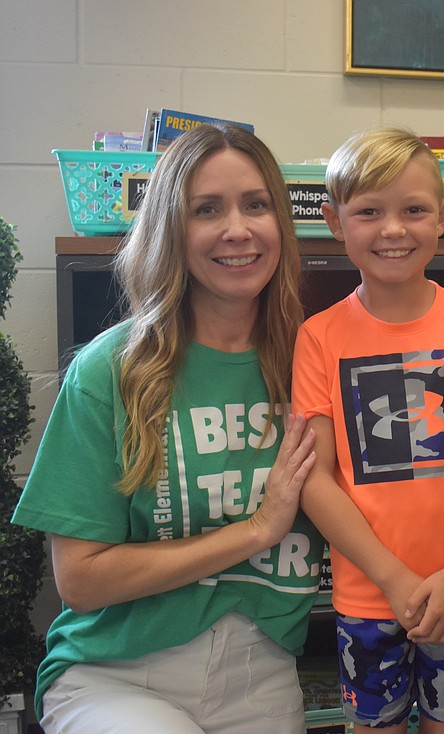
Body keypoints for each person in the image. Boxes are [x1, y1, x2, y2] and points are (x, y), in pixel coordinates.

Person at [12, 122, 323, 733]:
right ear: (170, 232)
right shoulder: (113, 369)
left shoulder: (313, 357)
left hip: (261, 673)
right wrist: (257, 530)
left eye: (255, 205)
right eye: (206, 209)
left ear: (281, 224)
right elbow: (79, 578)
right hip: (115, 672)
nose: (237, 229)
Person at [292, 128, 444, 734]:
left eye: (413, 210)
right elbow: (316, 479)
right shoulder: (319, 337)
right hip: (367, 594)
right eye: (369, 212)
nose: (393, 230)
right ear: (334, 221)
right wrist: (391, 576)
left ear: (443, 216)